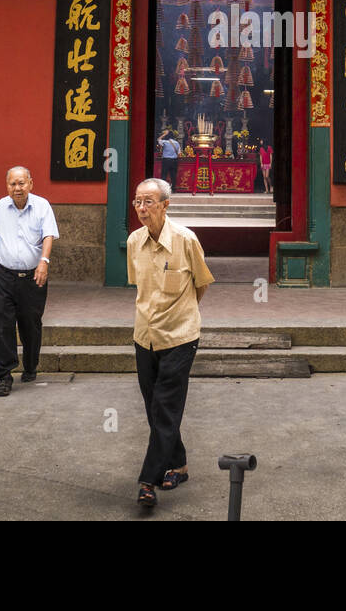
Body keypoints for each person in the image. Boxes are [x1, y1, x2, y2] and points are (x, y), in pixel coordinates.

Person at [127, 177, 214, 509]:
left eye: (149, 201)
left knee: (165, 406)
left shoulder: (185, 239)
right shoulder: (135, 241)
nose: (142, 208)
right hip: (144, 336)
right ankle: (178, 463)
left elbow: (201, 284)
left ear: (166, 204)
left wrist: (184, 315)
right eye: (137, 202)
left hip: (180, 336)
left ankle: (148, 480)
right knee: (155, 407)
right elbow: (140, 287)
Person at [0, 166, 58, 396]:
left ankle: (31, 364)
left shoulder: (42, 205)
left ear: (30, 184)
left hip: (33, 278)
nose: (17, 188)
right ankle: (4, 375)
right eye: (13, 184)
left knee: (30, 325)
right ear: (7, 186)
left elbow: (48, 235)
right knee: (4, 325)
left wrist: (44, 261)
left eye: (21, 183)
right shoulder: (0, 207)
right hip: (4, 276)